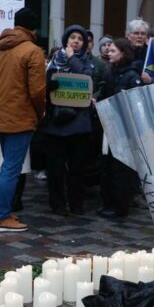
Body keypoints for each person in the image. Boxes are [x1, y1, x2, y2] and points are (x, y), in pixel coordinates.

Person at [0, 7, 46, 232]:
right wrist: (40, 113)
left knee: (7, 167)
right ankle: (1, 217)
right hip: (21, 117)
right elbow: (38, 91)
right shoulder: (33, 51)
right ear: (34, 28)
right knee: (11, 168)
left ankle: (2, 213)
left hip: (1, 116)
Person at [40, 25, 95, 216]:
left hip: (78, 124)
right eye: (73, 37)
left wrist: (72, 58)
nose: (76, 41)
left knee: (77, 169)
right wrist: (50, 86)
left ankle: (76, 204)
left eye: (80, 38)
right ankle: (58, 204)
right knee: (55, 170)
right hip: (56, 124)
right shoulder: (55, 61)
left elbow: (85, 77)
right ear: (66, 40)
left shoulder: (87, 62)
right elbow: (44, 86)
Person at [97, 38, 144, 218]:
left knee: (121, 170)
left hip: (125, 131)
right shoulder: (109, 72)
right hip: (109, 128)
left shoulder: (132, 76)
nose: (109, 52)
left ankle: (120, 207)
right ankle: (108, 202)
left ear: (123, 53)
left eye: (113, 50)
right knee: (107, 168)